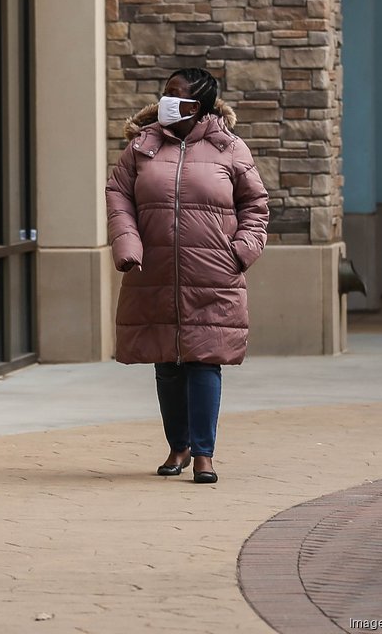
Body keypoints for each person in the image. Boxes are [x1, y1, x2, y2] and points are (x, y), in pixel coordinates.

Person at [105, 67, 269, 484]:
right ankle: (177, 447)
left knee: (203, 361)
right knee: (167, 362)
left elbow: (256, 206)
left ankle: (203, 454)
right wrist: (127, 245)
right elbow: (118, 195)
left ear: (198, 106)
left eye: (175, 94)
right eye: (165, 92)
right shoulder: (142, 146)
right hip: (153, 269)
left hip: (213, 272)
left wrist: (240, 252)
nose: (166, 100)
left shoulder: (229, 148)